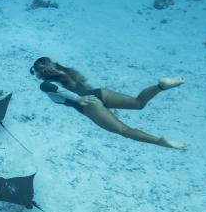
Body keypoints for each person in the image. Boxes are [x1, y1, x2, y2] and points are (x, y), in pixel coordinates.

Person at [30, 56, 186, 149]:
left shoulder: (45, 84)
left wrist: (78, 99)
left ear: (40, 72)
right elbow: (83, 87)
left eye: (34, 71)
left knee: (124, 131)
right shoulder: (66, 72)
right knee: (138, 103)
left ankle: (160, 141)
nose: (34, 73)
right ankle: (161, 86)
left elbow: (49, 87)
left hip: (89, 105)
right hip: (99, 93)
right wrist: (104, 106)